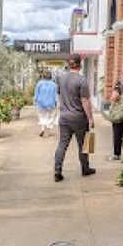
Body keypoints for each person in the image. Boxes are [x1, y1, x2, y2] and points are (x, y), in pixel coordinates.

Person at [54, 54, 95, 182]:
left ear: (69, 64)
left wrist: (63, 110)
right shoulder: (82, 80)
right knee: (84, 144)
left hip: (64, 117)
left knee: (62, 144)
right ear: (80, 64)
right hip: (79, 118)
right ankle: (85, 168)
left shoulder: (61, 78)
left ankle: (57, 170)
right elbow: (85, 101)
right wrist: (90, 118)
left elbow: (60, 97)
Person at [34, 70, 58, 137]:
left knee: (42, 116)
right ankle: (47, 128)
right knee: (50, 117)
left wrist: (35, 101)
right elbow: (55, 95)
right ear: (51, 77)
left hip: (40, 103)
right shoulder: (54, 85)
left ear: (43, 76)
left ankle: (43, 128)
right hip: (51, 103)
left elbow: (36, 94)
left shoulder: (39, 83)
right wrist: (56, 103)